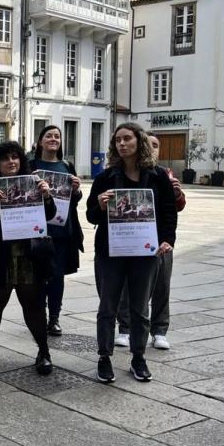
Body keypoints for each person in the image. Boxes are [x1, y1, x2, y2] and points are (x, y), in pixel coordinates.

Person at [86, 123, 178, 383]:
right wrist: (101, 206)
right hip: (110, 251)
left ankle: (138, 357)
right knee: (107, 306)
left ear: (139, 142)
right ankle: (104, 357)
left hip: (144, 252)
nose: (122, 144)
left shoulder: (158, 176)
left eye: (127, 139)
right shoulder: (105, 177)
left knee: (139, 308)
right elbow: (90, 214)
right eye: (117, 140)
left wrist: (167, 240)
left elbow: (169, 213)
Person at [0, 141, 57, 377]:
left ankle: (44, 352)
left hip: (29, 256)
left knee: (34, 305)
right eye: (5, 158)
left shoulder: (32, 183)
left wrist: (46, 196)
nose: (11, 162)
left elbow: (50, 215)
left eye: (15, 157)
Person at [115, 134, 187, 350]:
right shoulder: (124, 171)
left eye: (156, 145)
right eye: (148, 144)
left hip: (159, 239)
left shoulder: (164, 174)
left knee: (162, 285)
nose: (152, 148)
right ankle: (125, 329)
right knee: (128, 286)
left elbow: (177, 207)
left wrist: (177, 193)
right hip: (132, 237)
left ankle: (159, 330)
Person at [31, 125, 84, 337]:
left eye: (57, 136)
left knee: (57, 276)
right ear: (40, 141)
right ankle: (38, 315)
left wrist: (77, 190)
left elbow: (75, 201)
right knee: (37, 277)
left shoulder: (67, 166)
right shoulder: (31, 165)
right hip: (36, 229)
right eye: (49, 136)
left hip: (62, 230)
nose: (53, 139)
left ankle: (54, 317)